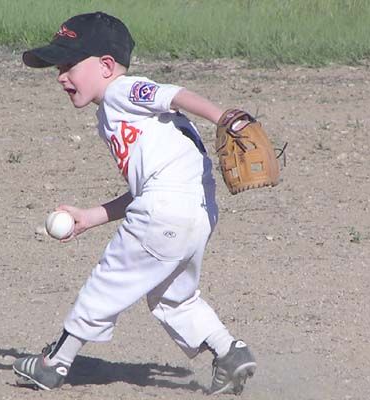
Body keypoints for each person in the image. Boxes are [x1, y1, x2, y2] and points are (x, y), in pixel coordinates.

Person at [13, 11, 257, 395]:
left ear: (107, 65)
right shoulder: (119, 115)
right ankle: (228, 353)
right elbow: (149, 190)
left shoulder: (122, 91)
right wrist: (91, 217)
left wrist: (221, 117)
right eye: (57, 66)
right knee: (173, 296)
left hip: (165, 211)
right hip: (194, 213)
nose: (61, 75)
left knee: (107, 282)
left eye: (69, 64)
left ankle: (54, 363)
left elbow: (172, 93)